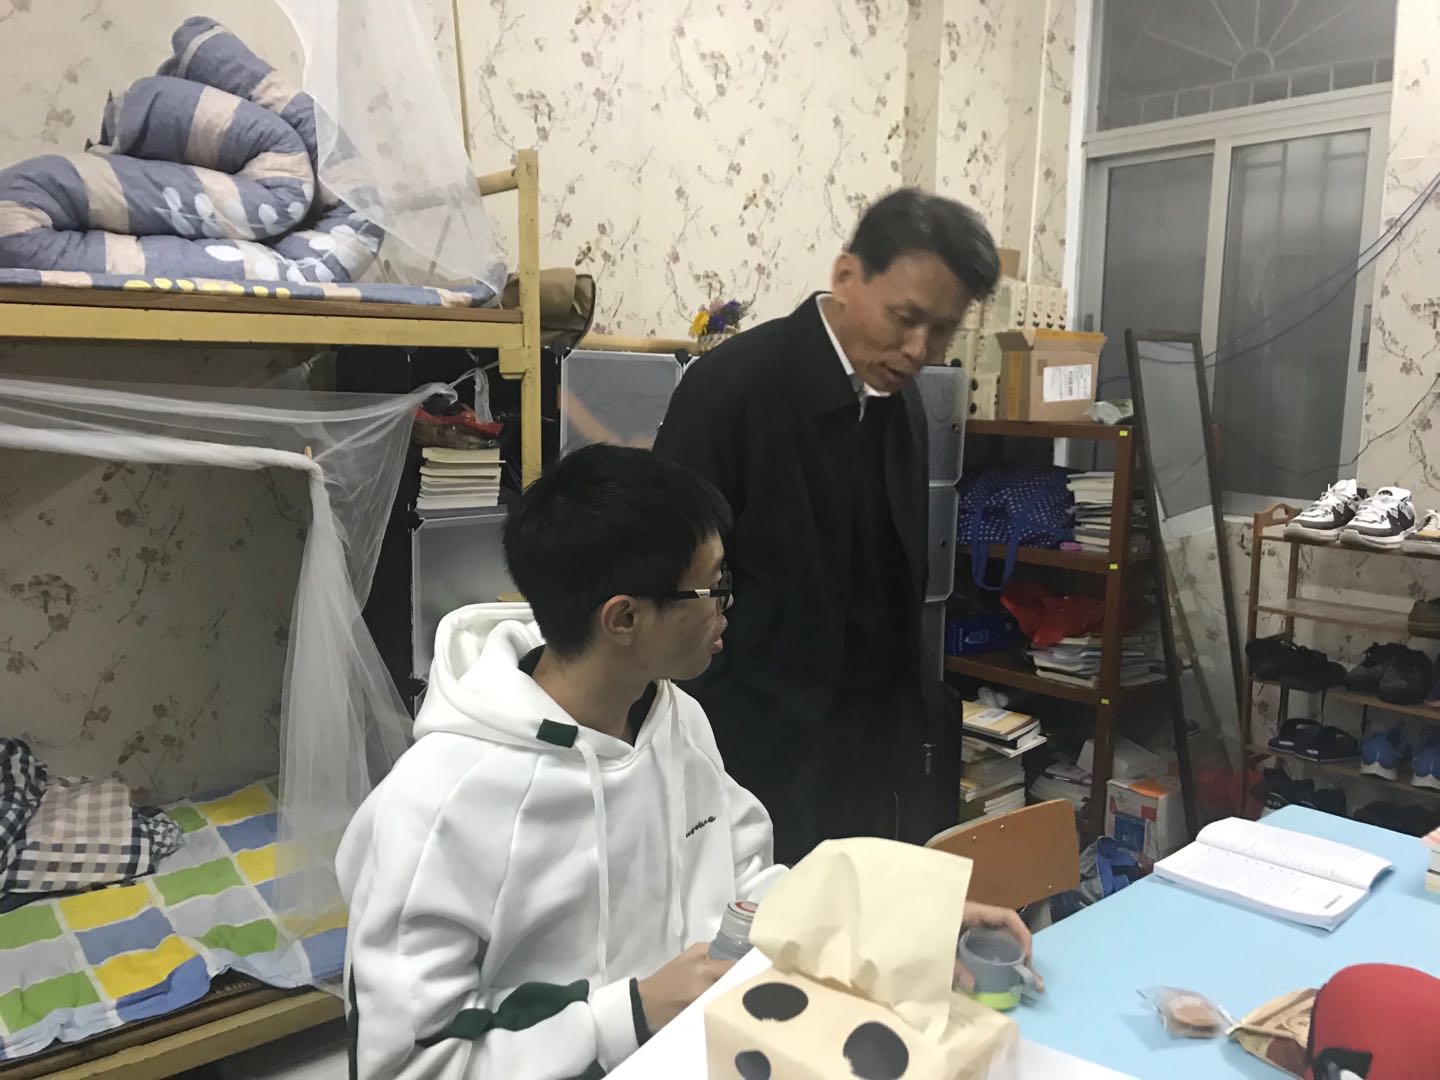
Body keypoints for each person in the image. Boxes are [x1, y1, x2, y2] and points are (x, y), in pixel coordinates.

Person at [336, 445, 784, 1079]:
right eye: (715, 587)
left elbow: (742, 878)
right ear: (624, 618)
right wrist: (627, 1015)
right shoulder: (441, 803)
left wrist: (848, 910)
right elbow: (407, 1063)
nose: (725, 607)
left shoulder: (675, 718)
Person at [654, 187, 1000, 863]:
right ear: (846, 276)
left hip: (865, 748)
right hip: (748, 750)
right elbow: (669, 582)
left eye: (943, 330)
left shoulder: (899, 403)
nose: (920, 349)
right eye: (906, 318)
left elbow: (898, 585)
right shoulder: (731, 388)